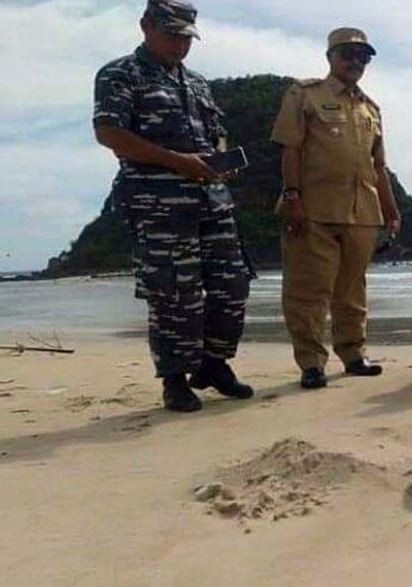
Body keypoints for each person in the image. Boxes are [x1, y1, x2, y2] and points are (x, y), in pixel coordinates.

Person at [93, 0, 254, 412]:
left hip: (212, 200)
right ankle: (175, 379)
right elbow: (109, 132)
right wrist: (178, 162)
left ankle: (213, 364)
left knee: (232, 282)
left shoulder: (198, 83)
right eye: (172, 34)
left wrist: (220, 163)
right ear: (146, 25)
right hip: (159, 203)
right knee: (173, 293)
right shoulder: (120, 74)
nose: (181, 44)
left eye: (186, 37)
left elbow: (214, 134)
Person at [270, 27, 402, 389]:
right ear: (330, 56)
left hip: (362, 213)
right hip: (314, 210)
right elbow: (291, 149)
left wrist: (390, 209)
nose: (356, 62)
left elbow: (379, 167)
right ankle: (312, 363)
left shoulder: (370, 108)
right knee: (309, 291)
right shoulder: (305, 95)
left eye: (364, 57)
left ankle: (354, 354)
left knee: (352, 290)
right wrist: (293, 197)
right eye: (348, 54)